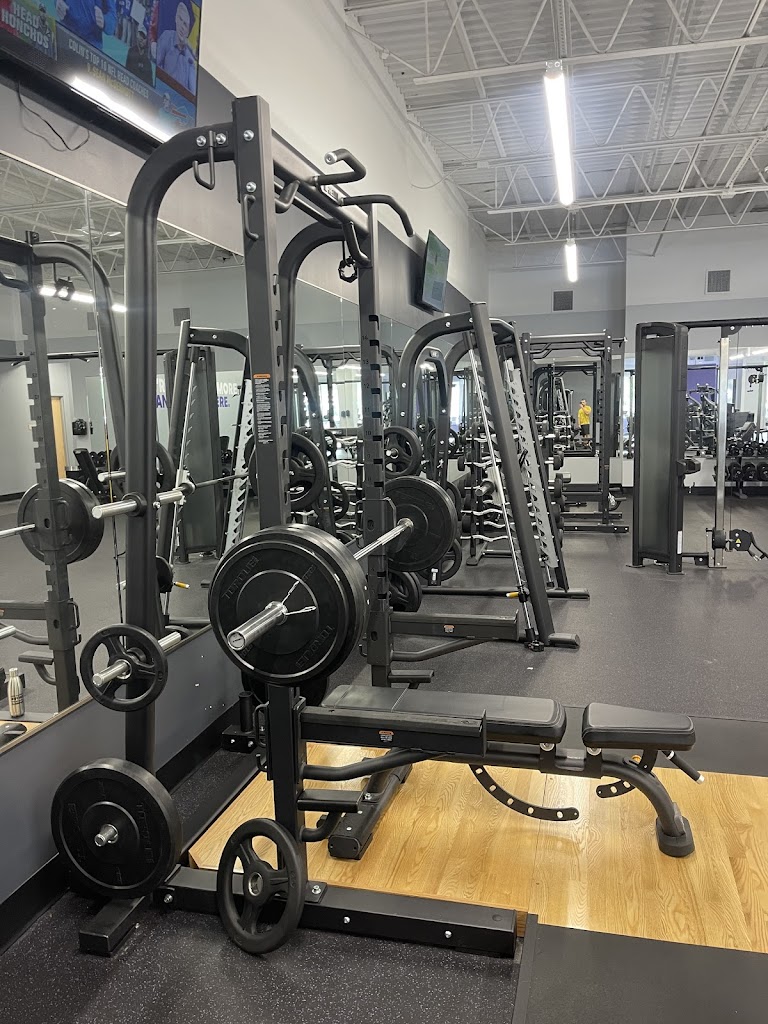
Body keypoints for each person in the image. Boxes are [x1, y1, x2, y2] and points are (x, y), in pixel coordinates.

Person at [156, 0, 197, 95]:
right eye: (180, 19)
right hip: (162, 94)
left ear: (189, 29)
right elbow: (155, 66)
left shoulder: (190, 59)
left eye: (185, 24)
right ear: (176, 18)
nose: (182, 27)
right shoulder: (166, 37)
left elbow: (192, 94)